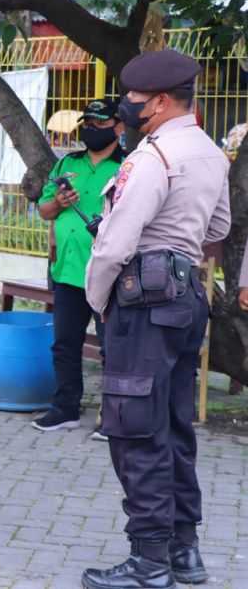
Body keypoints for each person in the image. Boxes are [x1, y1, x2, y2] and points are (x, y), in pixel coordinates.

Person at [82, 50, 230, 589]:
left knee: (134, 427)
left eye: (136, 101)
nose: (128, 109)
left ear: (162, 102)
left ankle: (148, 563)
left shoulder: (154, 157)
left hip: (142, 301)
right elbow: (219, 223)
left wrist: (98, 299)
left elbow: (116, 241)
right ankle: (183, 551)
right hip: (187, 292)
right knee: (172, 424)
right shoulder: (210, 152)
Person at [31, 98, 124, 433]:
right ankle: (65, 407)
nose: (91, 130)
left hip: (109, 273)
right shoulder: (67, 163)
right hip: (69, 271)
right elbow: (43, 211)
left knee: (111, 347)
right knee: (65, 343)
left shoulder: (129, 165)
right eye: (87, 124)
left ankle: (113, 417)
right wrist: (57, 202)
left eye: (99, 124)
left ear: (119, 127)